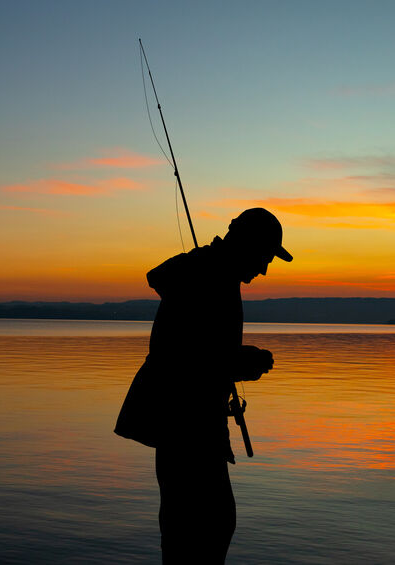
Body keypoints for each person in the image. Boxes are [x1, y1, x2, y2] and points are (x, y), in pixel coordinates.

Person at [115, 208, 292, 564]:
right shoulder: (207, 273)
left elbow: (201, 350)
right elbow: (189, 357)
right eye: (264, 256)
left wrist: (240, 359)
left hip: (193, 429)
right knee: (203, 531)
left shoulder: (216, 276)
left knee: (205, 530)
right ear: (247, 245)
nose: (264, 269)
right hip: (185, 430)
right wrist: (242, 362)